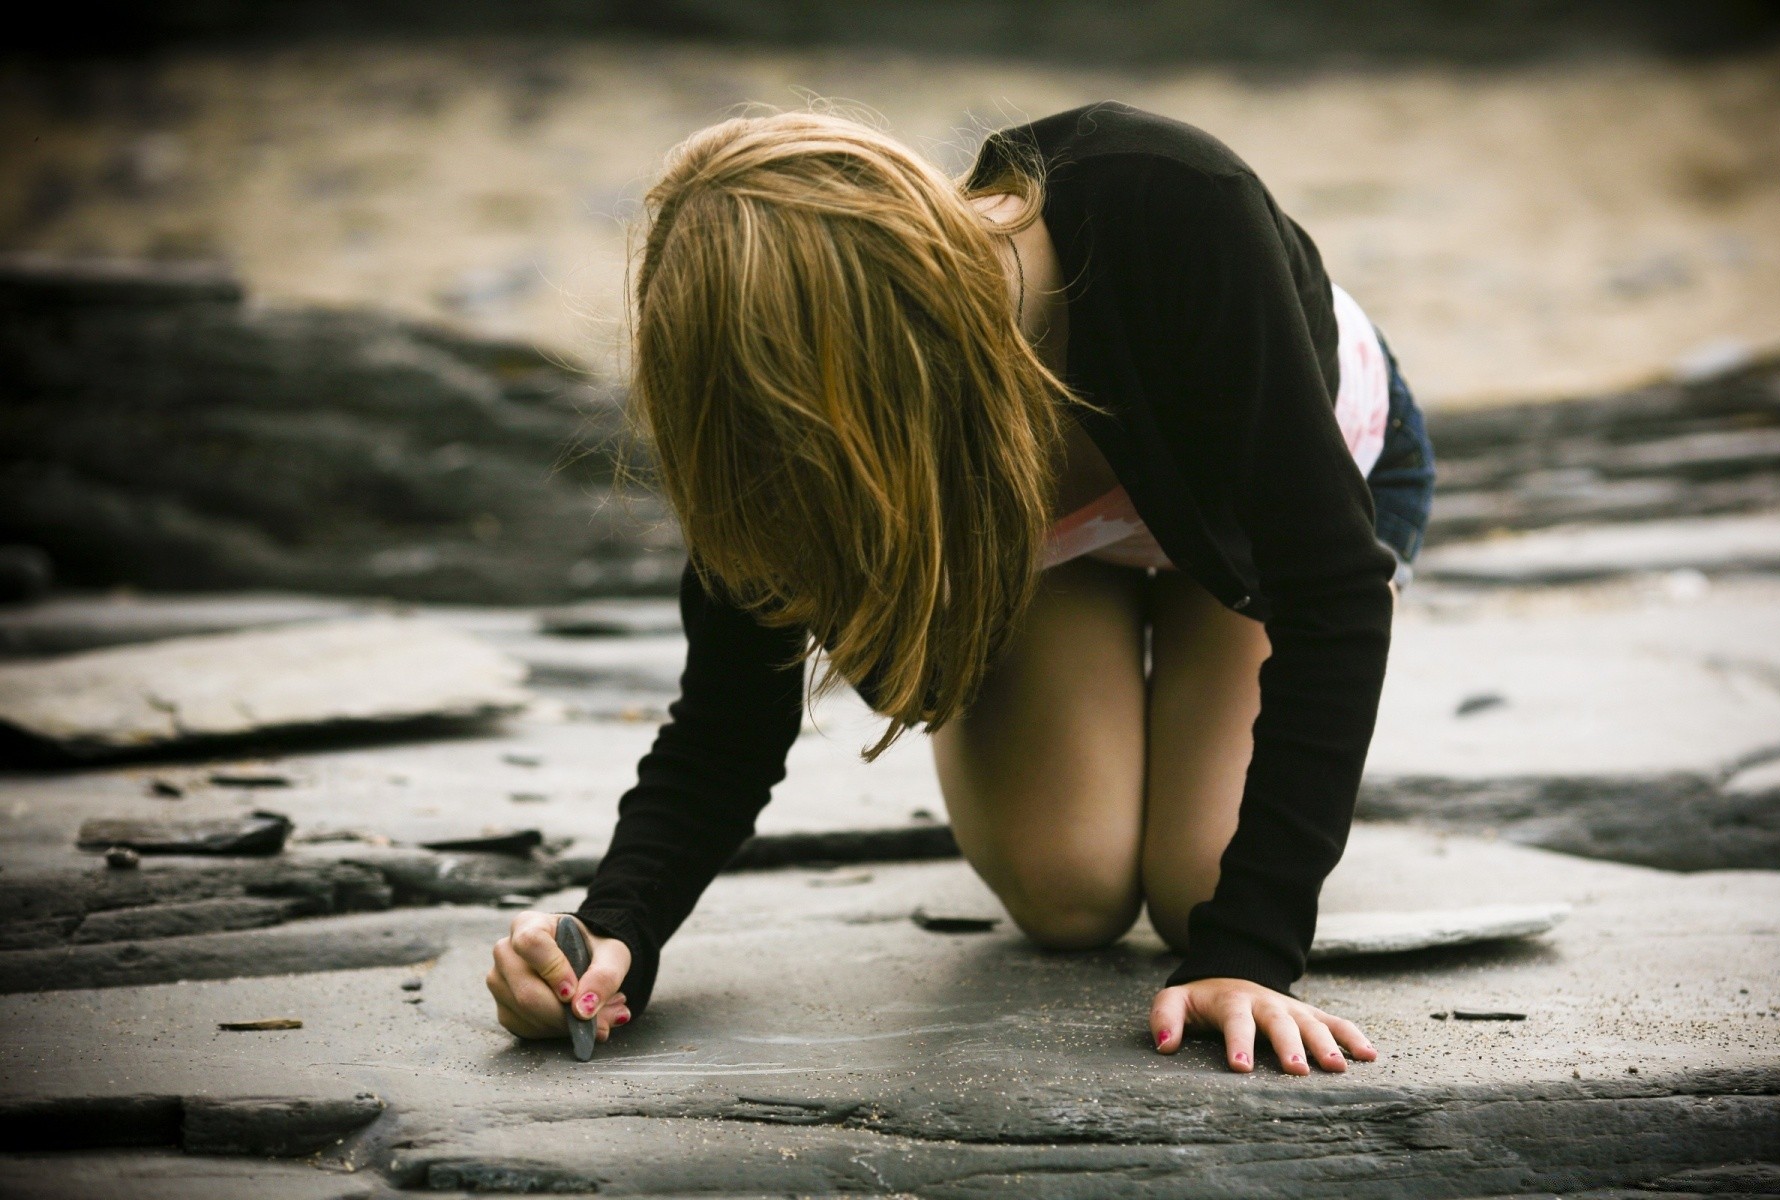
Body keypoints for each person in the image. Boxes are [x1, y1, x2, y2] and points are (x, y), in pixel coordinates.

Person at [486, 101, 1436, 1075]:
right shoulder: (780, 416)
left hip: (1265, 528)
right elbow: (728, 718)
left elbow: (1331, 593)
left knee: (1204, 885)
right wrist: (615, 932)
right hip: (1058, 558)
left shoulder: (1172, 201)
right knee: (1070, 894)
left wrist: (1250, 955)